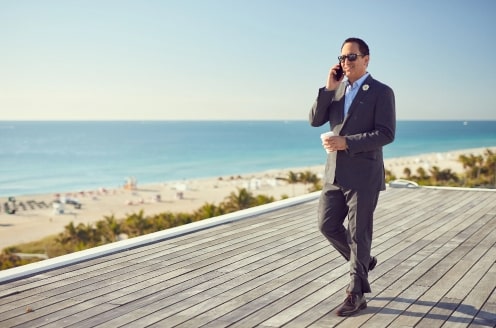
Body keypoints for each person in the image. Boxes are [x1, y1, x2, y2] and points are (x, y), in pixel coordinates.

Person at [309, 37, 396, 316]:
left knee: (360, 235)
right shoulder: (336, 90)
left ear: (367, 59)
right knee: (327, 225)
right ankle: (363, 262)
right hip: (334, 173)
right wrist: (328, 88)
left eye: (352, 57)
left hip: (364, 174)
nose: (346, 62)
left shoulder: (381, 92)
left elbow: (386, 133)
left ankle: (355, 293)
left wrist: (348, 142)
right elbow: (314, 119)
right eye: (342, 58)